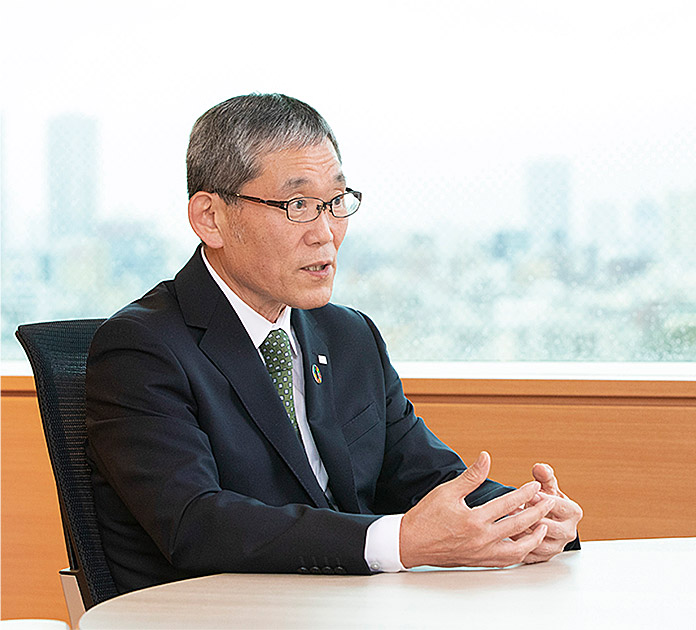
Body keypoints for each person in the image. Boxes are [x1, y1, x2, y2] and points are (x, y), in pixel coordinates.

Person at [86, 93, 582, 594]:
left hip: (345, 608)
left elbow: (425, 478)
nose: (325, 233)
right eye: (298, 205)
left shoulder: (349, 336)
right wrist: (401, 543)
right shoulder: (141, 349)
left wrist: (528, 518)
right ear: (210, 218)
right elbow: (197, 524)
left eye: (335, 203)